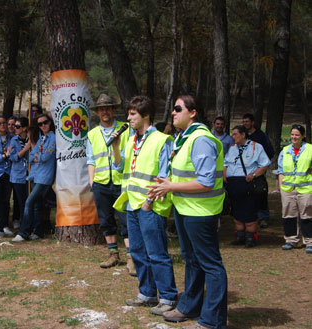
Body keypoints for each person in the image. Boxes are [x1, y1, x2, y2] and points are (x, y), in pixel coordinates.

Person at [148, 95, 227, 329]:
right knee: (191, 260)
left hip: (201, 212)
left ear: (193, 112)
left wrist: (170, 186)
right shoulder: (183, 138)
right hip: (185, 209)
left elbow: (206, 182)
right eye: (172, 109)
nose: (173, 112)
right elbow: (186, 173)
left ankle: (212, 321)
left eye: (178, 108)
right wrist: (167, 181)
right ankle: (189, 307)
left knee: (211, 264)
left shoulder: (201, 139)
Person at [111, 96, 178, 315]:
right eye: (128, 114)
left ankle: (168, 297)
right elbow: (120, 168)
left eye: (132, 114)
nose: (128, 118)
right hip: (132, 205)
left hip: (150, 206)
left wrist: (149, 202)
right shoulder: (131, 140)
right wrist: (116, 147)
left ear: (145, 115)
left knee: (157, 253)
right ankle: (147, 293)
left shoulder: (162, 140)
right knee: (137, 251)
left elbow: (164, 174)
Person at [84, 93, 134, 274]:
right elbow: (91, 159)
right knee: (106, 220)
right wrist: (92, 181)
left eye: (108, 108)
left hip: (122, 182)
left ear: (113, 110)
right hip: (101, 183)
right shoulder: (92, 134)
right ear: (97, 112)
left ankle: (131, 258)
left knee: (126, 220)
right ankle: (113, 254)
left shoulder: (126, 129)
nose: (105, 112)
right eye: (101, 109)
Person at [224, 125, 270, 248]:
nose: (233, 137)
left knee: (249, 211)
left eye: (235, 134)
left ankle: (251, 238)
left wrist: (254, 175)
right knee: (236, 211)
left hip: (248, 184)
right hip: (233, 184)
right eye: (232, 134)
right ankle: (240, 237)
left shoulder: (256, 147)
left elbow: (264, 164)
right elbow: (226, 163)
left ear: (243, 134)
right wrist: (224, 176)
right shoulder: (233, 148)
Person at [12, 114, 55, 242]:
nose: (43, 126)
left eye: (45, 122)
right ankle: (38, 231)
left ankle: (24, 232)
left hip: (45, 177)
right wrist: (37, 156)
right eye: (40, 124)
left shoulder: (53, 138)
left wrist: (38, 156)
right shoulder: (42, 138)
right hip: (36, 175)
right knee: (36, 205)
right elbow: (31, 157)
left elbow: (45, 157)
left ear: (50, 123)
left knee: (29, 202)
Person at [277, 124, 312, 254]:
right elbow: (280, 171)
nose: (294, 137)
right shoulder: (285, 150)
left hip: (306, 188)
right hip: (288, 188)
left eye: (297, 135)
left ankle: (309, 241)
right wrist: (281, 188)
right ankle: (291, 240)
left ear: (302, 136)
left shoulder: (310, 149)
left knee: (307, 215)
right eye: (292, 134)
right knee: (288, 215)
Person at [242, 113, 274, 228]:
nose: (245, 124)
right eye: (244, 121)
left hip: (259, 169)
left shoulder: (260, 136)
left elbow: (270, 151)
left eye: (247, 121)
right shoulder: (243, 135)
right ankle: (250, 215)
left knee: (261, 192)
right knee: (248, 193)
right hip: (245, 169)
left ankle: (264, 216)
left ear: (252, 122)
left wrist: (262, 164)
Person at [8, 117, 31, 230]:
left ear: (24, 128)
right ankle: (23, 224)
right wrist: (25, 149)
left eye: (17, 126)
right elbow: (12, 157)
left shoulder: (31, 139)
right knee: (21, 201)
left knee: (30, 201)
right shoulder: (13, 140)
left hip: (30, 174)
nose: (14, 128)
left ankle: (30, 224)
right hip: (17, 175)